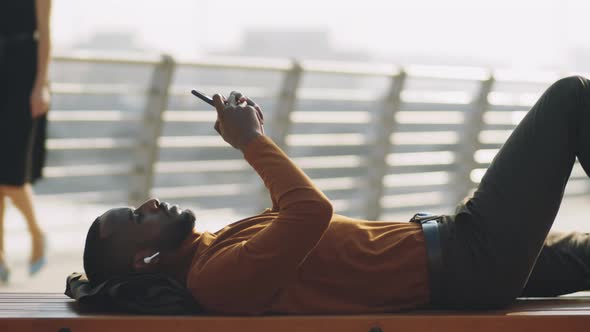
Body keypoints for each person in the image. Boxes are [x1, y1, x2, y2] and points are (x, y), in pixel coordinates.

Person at [84, 77, 590, 314]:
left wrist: (254, 134)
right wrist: (250, 142)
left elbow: (298, 217)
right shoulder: (215, 279)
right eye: (136, 216)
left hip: (462, 252)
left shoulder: (214, 252)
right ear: (146, 258)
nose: (149, 202)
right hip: (469, 259)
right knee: (571, 99)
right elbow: (310, 212)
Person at [0, 0, 51, 283]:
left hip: (23, 76)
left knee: (11, 174)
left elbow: (45, 32)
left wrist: (41, 85)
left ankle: (37, 233)